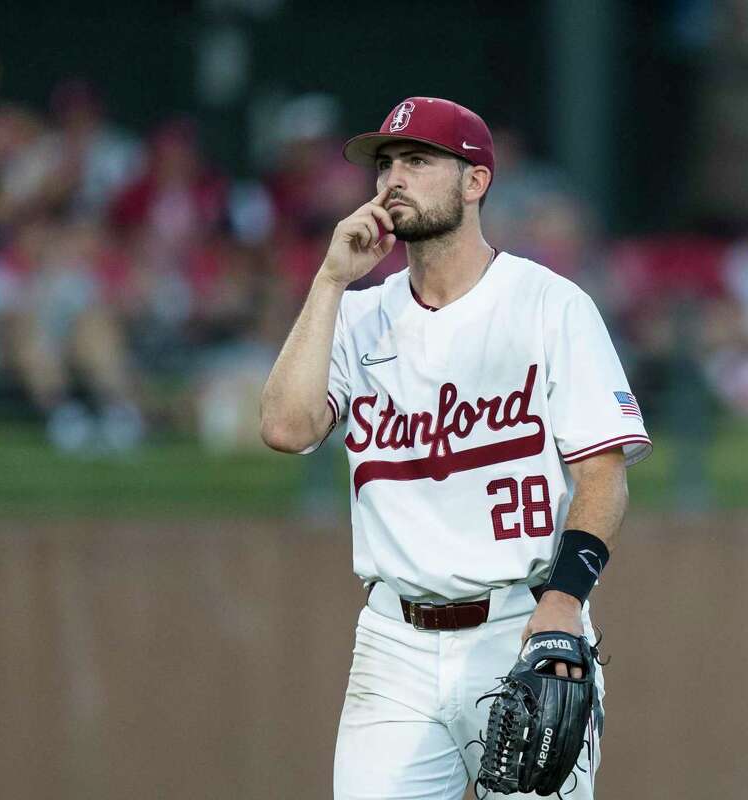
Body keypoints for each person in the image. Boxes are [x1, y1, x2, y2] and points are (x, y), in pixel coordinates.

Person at [260, 97, 652, 799]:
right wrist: (328, 281)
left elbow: (602, 475)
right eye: (385, 164)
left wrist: (565, 602)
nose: (392, 181)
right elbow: (287, 430)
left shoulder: (548, 304)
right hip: (392, 642)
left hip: (520, 625)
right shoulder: (357, 314)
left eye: (417, 161)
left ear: (475, 182)